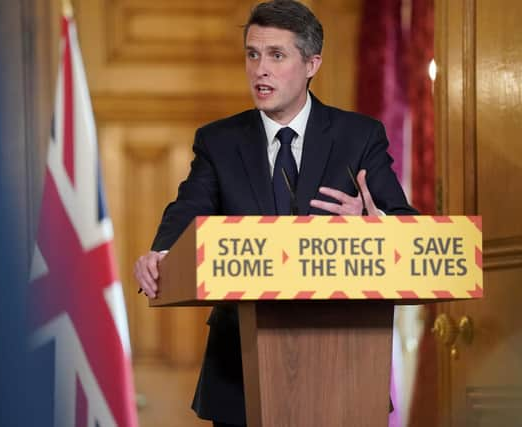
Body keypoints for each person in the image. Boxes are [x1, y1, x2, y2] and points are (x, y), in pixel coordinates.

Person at [134, 1, 417, 425]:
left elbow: (405, 225)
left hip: (343, 367)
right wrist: (161, 252)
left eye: (276, 55)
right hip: (240, 374)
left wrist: (372, 228)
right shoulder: (218, 141)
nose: (259, 69)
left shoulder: (358, 136)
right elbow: (189, 208)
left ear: (311, 64)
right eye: (252, 54)